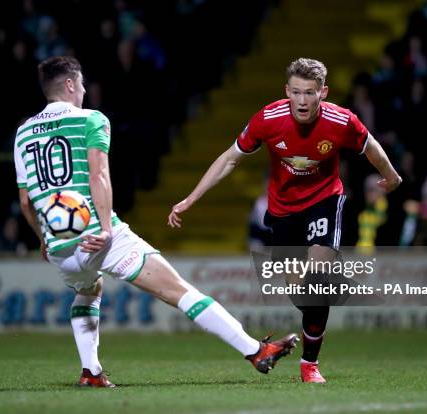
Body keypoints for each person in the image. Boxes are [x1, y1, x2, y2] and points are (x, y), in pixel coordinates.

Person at [14, 56, 297, 388]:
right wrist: (105, 229)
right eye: (83, 85)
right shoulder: (91, 120)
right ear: (70, 85)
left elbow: (25, 201)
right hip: (97, 234)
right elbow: (98, 175)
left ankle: (91, 372)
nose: (85, 91)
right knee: (178, 290)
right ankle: (256, 351)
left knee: (89, 292)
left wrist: (43, 240)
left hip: (61, 246)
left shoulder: (23, 133)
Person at [169, 58, 402, 384]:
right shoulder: (268, 118)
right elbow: (230, 159)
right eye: (296, 92)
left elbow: (370, 146)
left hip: (325, 200)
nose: (303, 101)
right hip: (283, 212)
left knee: (319, 277)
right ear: (286, 91)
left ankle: (310, 364)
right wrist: (192, 198)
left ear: (324, 92)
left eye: (310, 93)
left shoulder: (341, 120)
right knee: (301, 293)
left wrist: (390, 177)